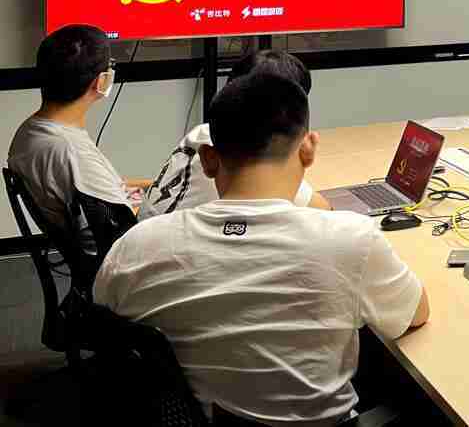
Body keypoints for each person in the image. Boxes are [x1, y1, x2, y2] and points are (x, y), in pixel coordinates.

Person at [95, 72, 429, 424]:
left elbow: (105, 316)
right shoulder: (352, 241)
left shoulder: (136, 245)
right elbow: (414, 314)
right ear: (308, 149)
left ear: (208, 158)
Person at [138, 49, 330, 219]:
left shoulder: (205, 131)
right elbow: (323, 209)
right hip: (171, 240)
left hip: (146, 228)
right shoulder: (248, 154)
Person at [8, 25, 133, 257]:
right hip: (117, 261)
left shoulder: (30, 132)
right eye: (110, 64)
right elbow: (125, 232)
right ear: (102, 81)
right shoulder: (71, 153)